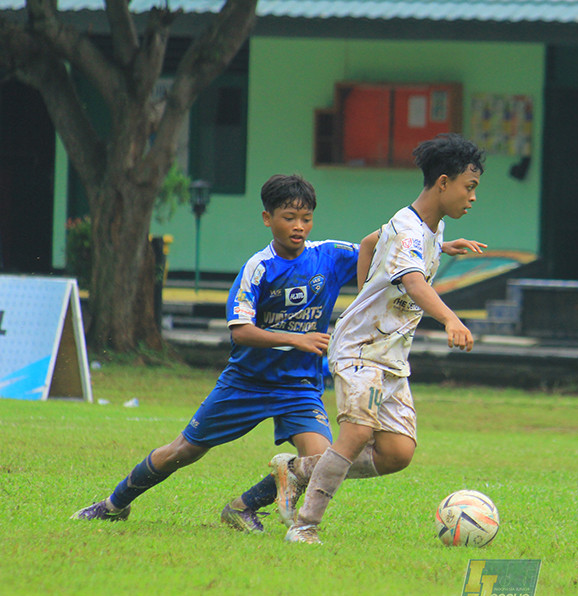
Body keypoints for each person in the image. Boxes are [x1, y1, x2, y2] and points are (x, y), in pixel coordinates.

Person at [71, 174, 363, 529]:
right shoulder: (259, 268)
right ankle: (113, 504)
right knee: (183, 451)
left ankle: (243, 507)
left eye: (306, 218)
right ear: (267, 218)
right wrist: (296, 339)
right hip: (246, 382)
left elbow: (377, 248)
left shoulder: (329, 256)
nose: (299, 226)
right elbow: (241, 331)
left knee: (321, 460)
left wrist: (423, 240)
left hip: (298, 386)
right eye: (289, 218)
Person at [277, 133, 486, 544]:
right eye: (470, 186)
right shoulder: (410, 231)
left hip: (389, 354)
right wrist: (450, 319)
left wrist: (440, 247)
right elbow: (413, 281)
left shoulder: (427, 227)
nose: (473, 197)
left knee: (397, 453)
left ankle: (299, 470)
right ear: (443, 183)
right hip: (361, 349)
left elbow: (372, 243)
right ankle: (305, 525)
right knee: (357, 433)